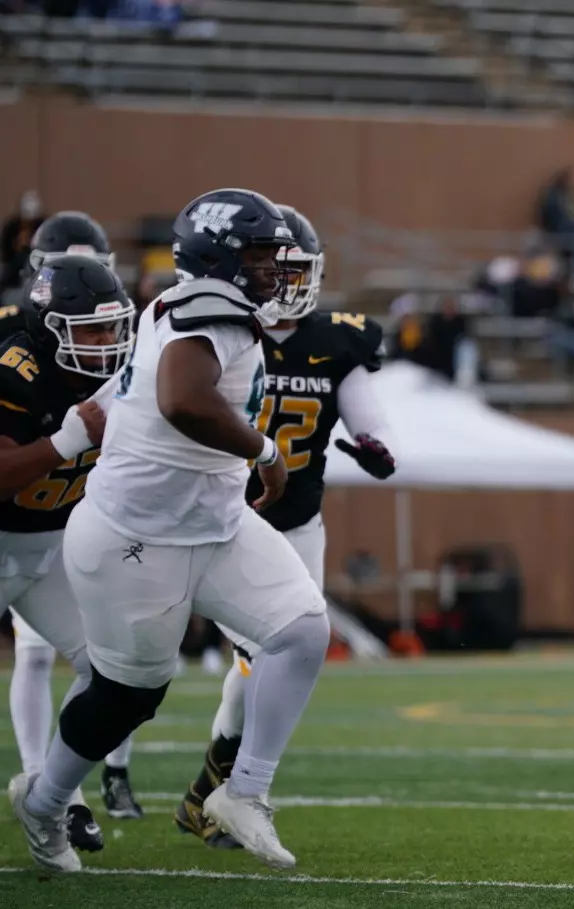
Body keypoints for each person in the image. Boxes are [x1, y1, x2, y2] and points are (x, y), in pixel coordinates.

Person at [8, 189, 330, 873]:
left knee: (302, 629)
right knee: (128, 695)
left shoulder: (186, 305)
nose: (275, 267)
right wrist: (266, 452)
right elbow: (182, 398)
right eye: (262, 253)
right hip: (138, 538)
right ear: (221, 256)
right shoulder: (211, 312)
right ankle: (43, 801)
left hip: (213, 522)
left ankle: (244, 791)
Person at [173, 205, 394, 851]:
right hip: (217, 513)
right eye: (275, 266)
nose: (283, 279)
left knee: (274, 658)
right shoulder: (223, 328)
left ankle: (212, 797)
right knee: (249, 660)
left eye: (295, 267)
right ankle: (203, 793)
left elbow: (368, 418)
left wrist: (378, 446)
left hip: (296, 524)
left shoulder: (339, 337)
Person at [4, 211, 145, 828]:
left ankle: (54, 797)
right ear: (48, 329)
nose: (107, 343)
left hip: (54, 548)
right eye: (90, 332)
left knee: (116, 672)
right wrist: (63, 443)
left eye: (112, 328)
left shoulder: (123, 373)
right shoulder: (13, 368)